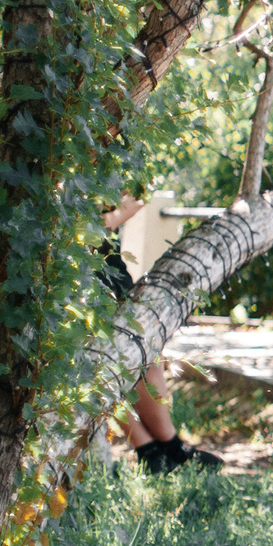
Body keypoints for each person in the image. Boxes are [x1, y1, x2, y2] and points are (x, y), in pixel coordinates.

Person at [99, 193, 222, 475]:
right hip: (76, 272)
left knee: (145, 351)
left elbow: (140, 195)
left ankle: (169, 445)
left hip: (109, 266)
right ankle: (146, 449)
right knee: (102, 367)